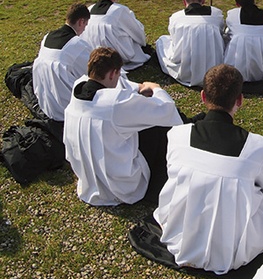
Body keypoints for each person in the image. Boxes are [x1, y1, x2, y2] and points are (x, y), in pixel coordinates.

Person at [153, 64, 263, 274]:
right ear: (239, 100)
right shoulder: (257, 147)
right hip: (232, 247)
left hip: (182, 231)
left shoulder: (177, 135)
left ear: (202, 96)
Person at [64, 47, 182, 207]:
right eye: (118, 74)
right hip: (122, 184)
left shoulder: (78, 87)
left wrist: (138, 87)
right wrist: (156, 88)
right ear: (113, 73)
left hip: (87, 179)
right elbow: (166, 110)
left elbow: (117, 88)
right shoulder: (116, 104)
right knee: (158, 127)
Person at [156, 0, 226, 87]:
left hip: (186, 68)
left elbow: (174, 38)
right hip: (214, 65)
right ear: (203, 0)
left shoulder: (176, 18)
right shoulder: (216, 15)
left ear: (184, 1)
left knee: (162, 41)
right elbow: (221, 31)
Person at [32, 3, 92, 122]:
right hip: (66, 107)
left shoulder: (47, 37)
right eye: (85, 24)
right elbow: (93, 72)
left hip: (46, 102)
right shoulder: (77, 45)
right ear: (81, 22)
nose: (84, 29)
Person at [83, 0, 151, 70]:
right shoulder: (119, 10)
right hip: (116, 55)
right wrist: (143, 43)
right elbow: (136, 32)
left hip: (95, 54)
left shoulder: (89, 10)